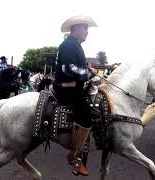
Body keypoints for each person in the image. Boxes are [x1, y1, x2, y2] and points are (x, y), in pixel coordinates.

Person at [52, 15, 99, 176]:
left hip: (72, 86)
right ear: (76, 29)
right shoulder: (70, 45)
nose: (87, 32)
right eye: (85, 28)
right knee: (86, 116)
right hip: (67, 89)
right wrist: (88, 73)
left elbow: (75, 66)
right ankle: (74, 156)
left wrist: (86, 69)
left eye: (87, 28)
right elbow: (68, 69)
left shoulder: (74, 45)